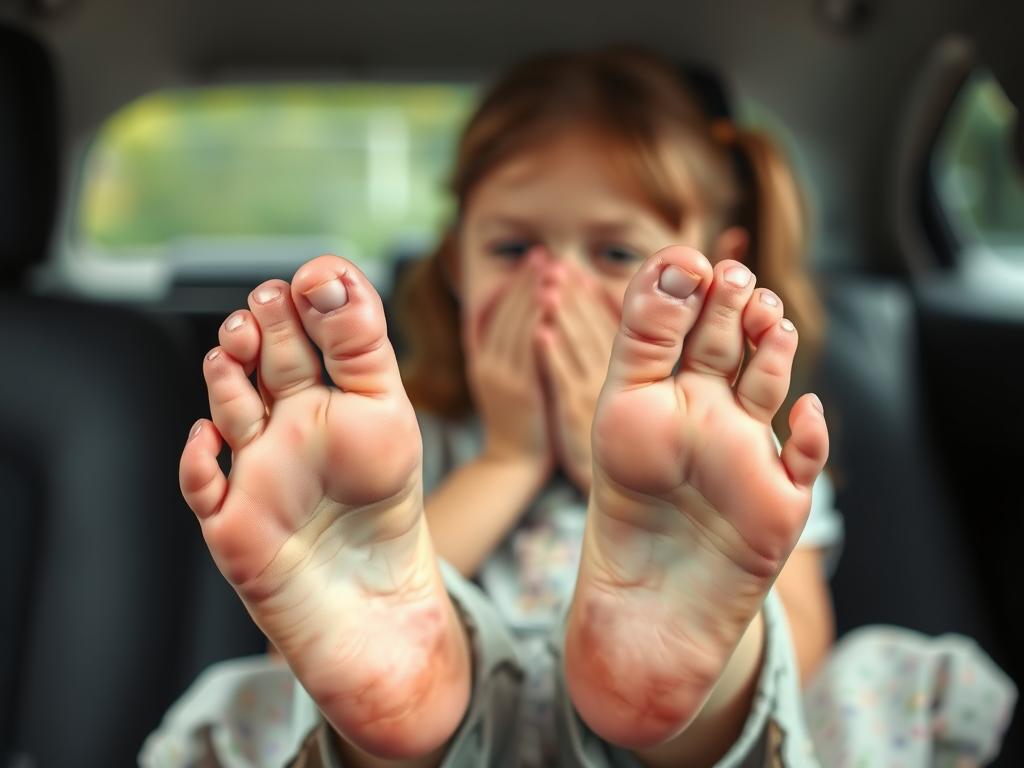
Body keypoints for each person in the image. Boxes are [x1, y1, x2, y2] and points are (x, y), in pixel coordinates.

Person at [142, 49, 1015, 767]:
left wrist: (621, 470)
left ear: (716, 262)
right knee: (297, 687)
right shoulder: (396, 440)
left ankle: (683, 688)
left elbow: (807, 647)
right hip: (454, 726)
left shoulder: (739, 453)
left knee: (812, 680)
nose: (552, 287)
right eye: (513, 246)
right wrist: (509, 456)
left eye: (614, 251)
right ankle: (417, 697)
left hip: (686, 733)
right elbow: (302, 651)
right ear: (455, 264)